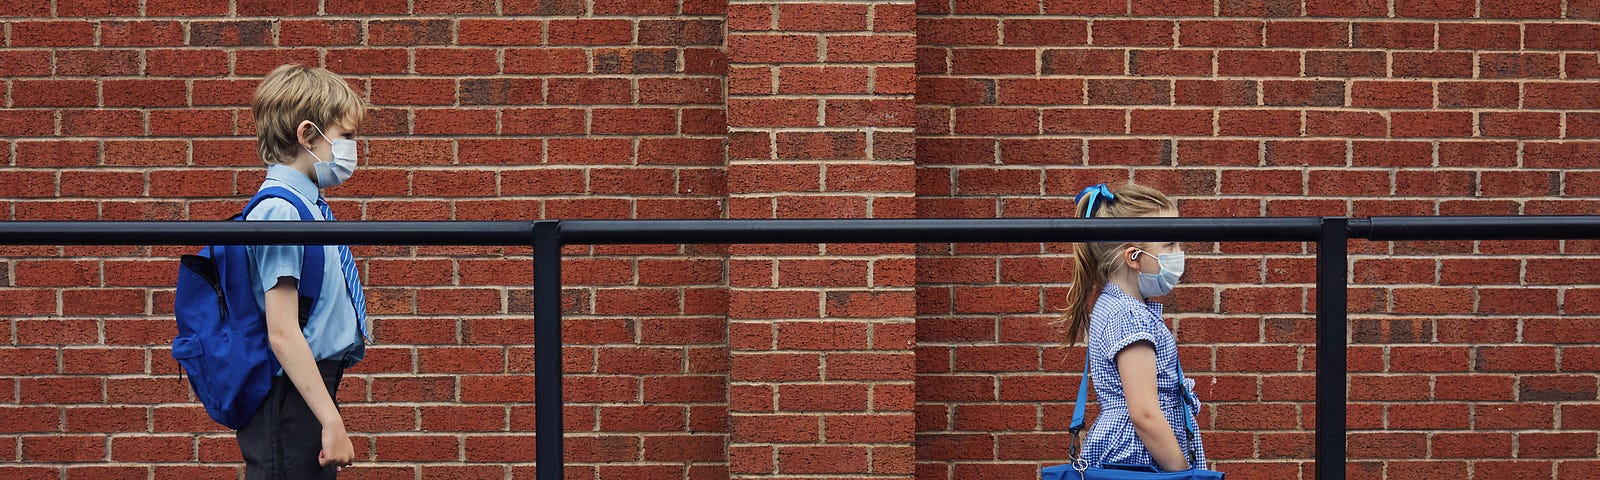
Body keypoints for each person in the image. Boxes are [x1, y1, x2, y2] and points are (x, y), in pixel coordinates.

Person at [240, 64, 370, 479]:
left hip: (307, 386)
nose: (353, 147)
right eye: (345, 136)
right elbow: (281, 331)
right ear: (307, 134)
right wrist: (331, 422)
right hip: (288, 392)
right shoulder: (280, 211)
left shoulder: (308, 208)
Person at [1062, 183, 1206, 472]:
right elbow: (1144, 414)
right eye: (1170, 245)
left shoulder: (1114, 306)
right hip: (1139, 462)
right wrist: (1184, 475)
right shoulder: (1128, 316)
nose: (1179, 252)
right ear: (1134, 258)